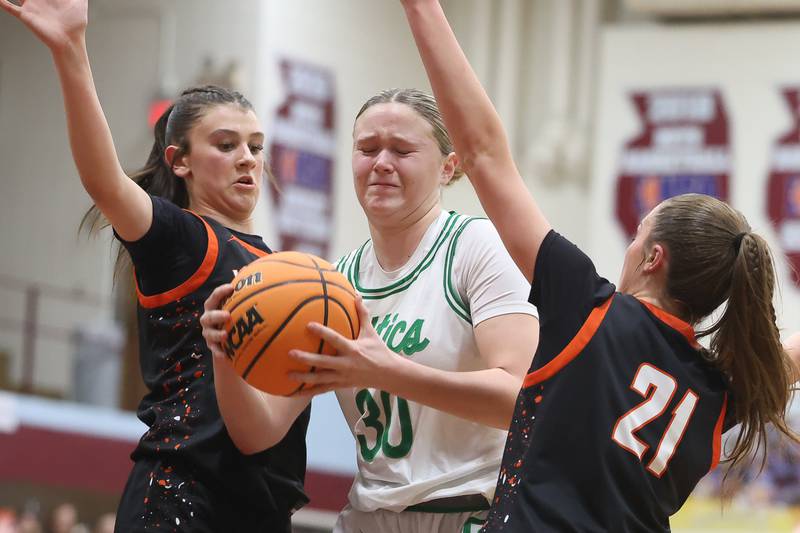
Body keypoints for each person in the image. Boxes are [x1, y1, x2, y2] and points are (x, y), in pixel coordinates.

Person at [397, 0, 800, 531]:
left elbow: (482, 153)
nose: (629, 248)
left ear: (655, 257)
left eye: (637, 237)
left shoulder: (588, 309)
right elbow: (787, 356)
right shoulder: (724, 391)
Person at [0, 0, 308, 531]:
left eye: (256, 146)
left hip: (262, 507)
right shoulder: (183, 238)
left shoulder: (286, 271)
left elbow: (271, 420)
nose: (247, 158)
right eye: (226, 144)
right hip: (180, 497)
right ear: (179, 160)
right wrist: (71, 50)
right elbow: (106, 183)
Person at [201, 88, 539, 533]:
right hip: (369, 517)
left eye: (401, 149)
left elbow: (523, 401)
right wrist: (226, 354)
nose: (381, 162)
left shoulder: (477, 248)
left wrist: (384, 371)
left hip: (472, 509)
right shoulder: (332, 286)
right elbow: (258, 433)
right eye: (367, 149)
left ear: (448, 166)